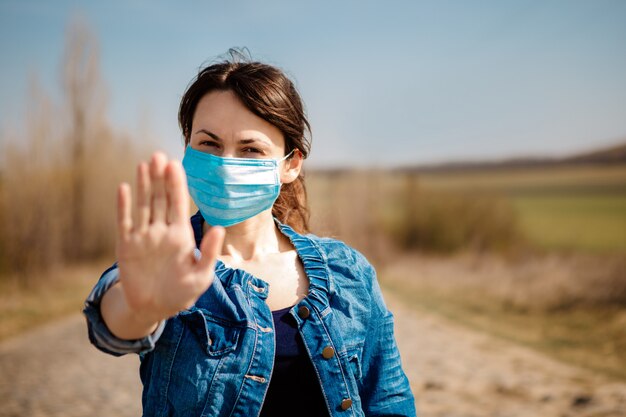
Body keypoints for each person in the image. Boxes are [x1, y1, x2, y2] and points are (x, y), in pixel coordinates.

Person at [84, 51, 416, 417]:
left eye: (250, 149)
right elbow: (111, 324)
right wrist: (141, 307)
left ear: (290, 164)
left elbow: (388, 401)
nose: (226, 164)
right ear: (187, 148)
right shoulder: (169, 262)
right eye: (209, 144)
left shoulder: (348, 271)